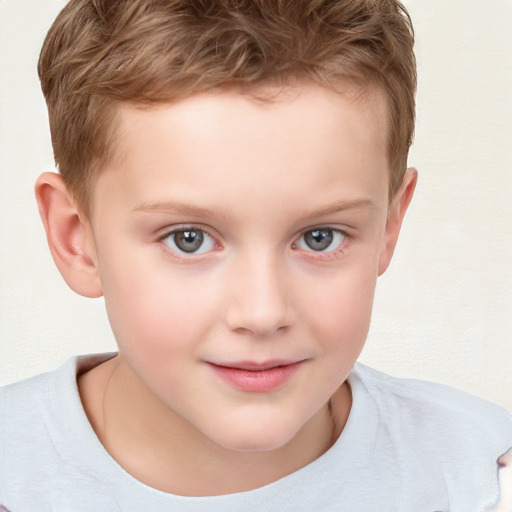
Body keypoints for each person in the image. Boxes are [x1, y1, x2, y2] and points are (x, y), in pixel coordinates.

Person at [0, 1, 510, 511]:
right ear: (77, 238)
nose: (263, 313)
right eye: (189, 239)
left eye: (320, 237)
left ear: (389, 226)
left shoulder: (482, 479)